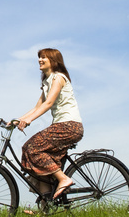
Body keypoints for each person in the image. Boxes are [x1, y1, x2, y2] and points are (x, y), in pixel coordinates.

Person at [16, 48, 83, 200]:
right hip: (62, 126)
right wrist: (18, 120)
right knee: (33, 154)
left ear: (53, 61)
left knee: (33, 148)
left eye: (44, 58)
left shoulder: (58, 78)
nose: (40, 60)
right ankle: (46, 204)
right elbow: (37, 107)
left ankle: (63, 179)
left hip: (69, 126)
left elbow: (49, 103)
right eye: (39, 57)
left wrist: (29, 120)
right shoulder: (47, 81)